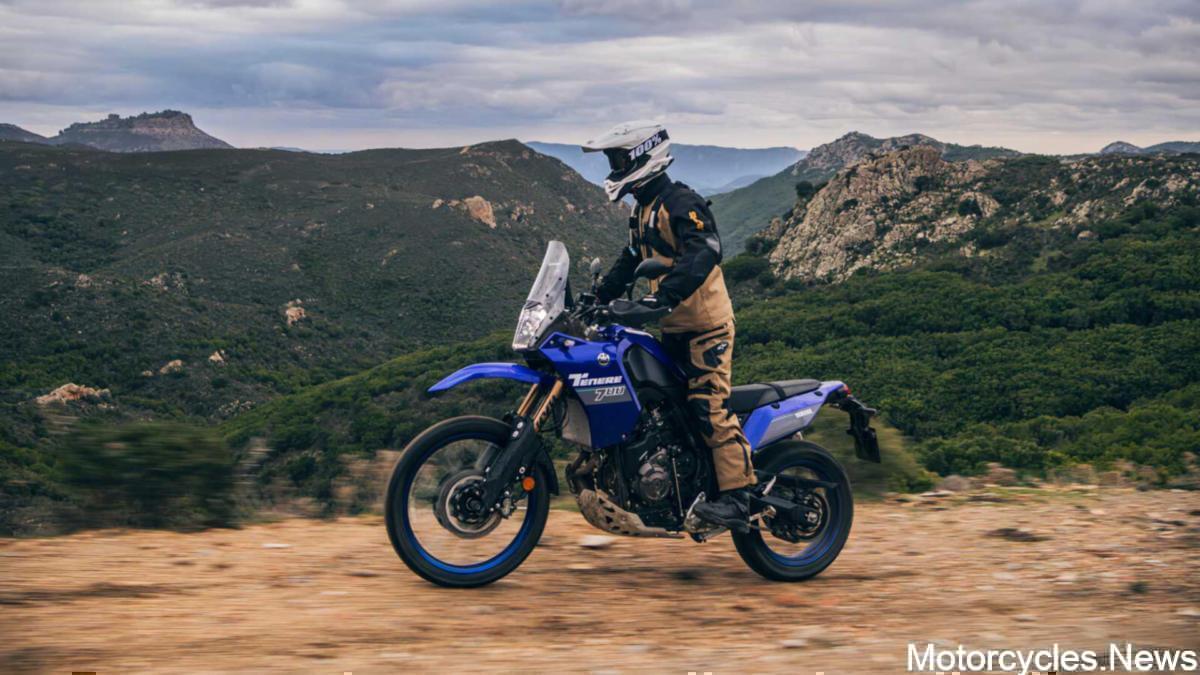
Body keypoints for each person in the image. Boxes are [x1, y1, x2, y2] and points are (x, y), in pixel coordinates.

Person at [582, 120, 754, 529]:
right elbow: (631, 258)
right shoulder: (643, 209)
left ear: (644, 157)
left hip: (706, 327)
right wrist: (598, 298)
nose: (614, 167)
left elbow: (704, 251)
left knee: (707, 405)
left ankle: (739, 497)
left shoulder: (681, 201)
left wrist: (662, 298)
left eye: (619, 159)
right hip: (674, 328)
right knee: (663, 409)